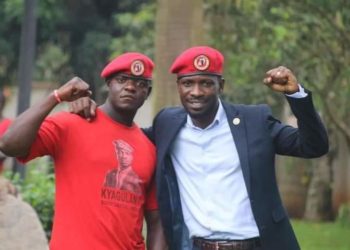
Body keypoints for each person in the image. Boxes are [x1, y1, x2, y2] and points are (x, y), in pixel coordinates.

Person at [70, 46, 328, 250]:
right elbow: (126, 137)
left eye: (206, 83)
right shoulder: (167, 124)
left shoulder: (254, 121)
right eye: (188, 83)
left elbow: (313, 146)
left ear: (221, 86)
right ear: (179, 88)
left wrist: (296, 95)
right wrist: (93, 110)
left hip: (256, 244)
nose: (196, 91)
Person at [0, 52, 166, 250]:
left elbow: (156, 221)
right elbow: (9, 144)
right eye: (122, 80)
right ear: (109, 84)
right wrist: (57, 96)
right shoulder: (71, 124)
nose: (130, 87)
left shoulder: (150, 149)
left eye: (139, 83)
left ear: (147, 93)